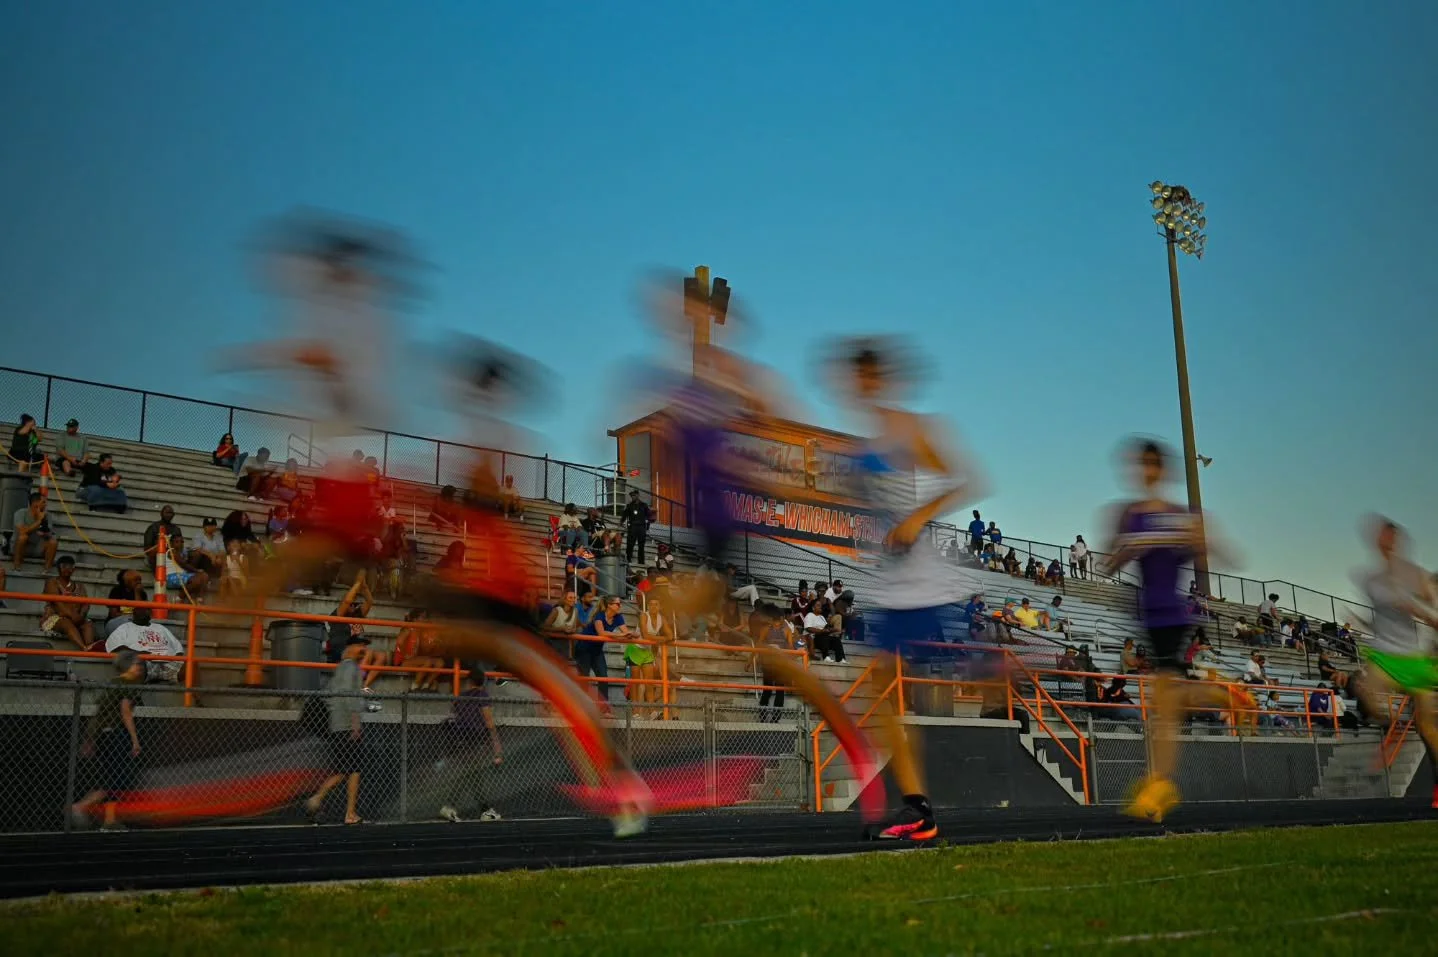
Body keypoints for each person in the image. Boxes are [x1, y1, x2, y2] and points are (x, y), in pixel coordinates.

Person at [834, 337, 987, 841]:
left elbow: (967, 481)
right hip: (892, 587)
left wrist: (916, 519)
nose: (855, 388)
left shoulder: (909, 428)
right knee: (883, 695)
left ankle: (1004, 668)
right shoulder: (862, 449)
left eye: (863, 378)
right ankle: (918, 808)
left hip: (921, 585)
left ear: (878, 379)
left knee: (901, 691)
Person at [1099, 438, 1234, 823]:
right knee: (1167, 707)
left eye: (1152, 465)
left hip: (1173, 615)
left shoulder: (1181, 514)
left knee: (1165, 705)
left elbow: (1221, 554)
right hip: (1147, 615)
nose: (1146, 472)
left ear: (1163, 470)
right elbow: (1107, 565)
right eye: (1141, 465)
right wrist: (1130, 548)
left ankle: (1159, 784)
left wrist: (1196, 537)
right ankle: (1161, 782)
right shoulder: (1129, 513)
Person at [1349, 517, 1438, 808]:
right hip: (1387, 656)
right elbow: (1387, 616)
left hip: (1414, 659)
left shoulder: (1412, 573)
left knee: (1428, 728)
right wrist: (1360, 622)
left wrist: (1427, 608)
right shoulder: (1371, 579)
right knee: (1364, 689)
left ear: (1396, 540)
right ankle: (1390, 726)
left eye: (1388, 535)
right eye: (1380, 535)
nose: (1383, 540)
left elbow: (1426, 598)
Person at [69, 650, 145, 830]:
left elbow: (100, 713)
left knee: (114, 778)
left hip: (104, 735)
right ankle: (82, 806)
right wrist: (135, 740)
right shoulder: (127, 685)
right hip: (115, 735)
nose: (140, 667)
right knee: (116, 779)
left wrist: (91, 738)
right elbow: (125, 712)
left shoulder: (114, 683)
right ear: (128, 666)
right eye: (137, 664)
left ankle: (109, 819)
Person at [305, 635, 368, 825]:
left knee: (345, 769)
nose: (363, 649)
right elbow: (351, 697)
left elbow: (330, 696)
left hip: (337, 724)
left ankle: (318, 799)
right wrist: (355, 723)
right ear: (349, 648)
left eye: (363, 646)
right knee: (353, 769)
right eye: (359, 646)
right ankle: (348, 812)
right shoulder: (352, 668)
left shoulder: (341, 668)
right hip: (347, 725)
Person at [437, 666, 503, 823]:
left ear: (469, 681)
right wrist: (497, 747)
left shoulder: (461, 697)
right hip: (475, 738)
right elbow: (488, 721)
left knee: (472, 774)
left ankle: (483, 809)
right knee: (472, 774)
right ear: (483, 682)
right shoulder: (482, 696)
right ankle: (456, 806)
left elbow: (455, 714)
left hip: (460, 738)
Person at [105, 607, 184, 683]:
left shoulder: (160, 628)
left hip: (168, 662)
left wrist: (176, 659)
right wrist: (139, 654)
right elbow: (116, 648)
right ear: (133, 613)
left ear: (150, 613)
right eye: (140, 609)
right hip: (144, 663)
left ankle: (191, 695)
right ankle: (135, 695)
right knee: (135, 665)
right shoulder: (124, 628)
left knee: (191, 666)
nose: (143, 612)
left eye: (146, 610)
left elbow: (178, 650)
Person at [577, 595, 629, 705]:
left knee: (603, 677)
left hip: (597, 650)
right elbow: (602, 633)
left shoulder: (618, 617)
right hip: (584, 647)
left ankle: (604, 708)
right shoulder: (599, 616)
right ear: (609, 605)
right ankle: (581, 705)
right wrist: (621, 635)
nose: (620, 606)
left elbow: (626, 632)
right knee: (584, 677)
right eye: (617, 604)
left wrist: (632, 635)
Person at [41, 556, 94, 650]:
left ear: (74, 569)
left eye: (70, 567)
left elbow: (86, 604)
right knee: (66, 623)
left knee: (87, 624)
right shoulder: (52, 583)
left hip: (77, 617)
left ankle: (90, 647)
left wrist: (81, 616)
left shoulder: (79, 586)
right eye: (64, 566)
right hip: (55, 618)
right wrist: (73, 616)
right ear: (58, 568)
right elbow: (58, 603)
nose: (67, 569)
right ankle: (83, 648)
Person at [10, 492, 57, 573]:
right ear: (35, 503)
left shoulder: (47, 515)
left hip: (37, 546)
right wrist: (39, 521)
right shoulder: (20, 513)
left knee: (53, 542)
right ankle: (17, 565)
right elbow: (22, 531)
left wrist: (45, 533)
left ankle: (47, 569)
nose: (46, 505)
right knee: (23, 537)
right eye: (43, 502)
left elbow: (50, 533)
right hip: (21, 547)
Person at [104, 569, 148, 638]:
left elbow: (143, 614)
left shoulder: (141, 593)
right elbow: (114, 614)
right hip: (116, 622)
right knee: (130, 622)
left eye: (140, 580)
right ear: (127, 582)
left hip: (135, 621)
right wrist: (131, 615)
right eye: (136, 580)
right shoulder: (116, 591)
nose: (139, 583)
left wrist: (137, 593)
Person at [621, 490, 651, 565]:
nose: (632, 497)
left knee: (641, 545)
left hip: (641, 527)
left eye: (634, 495)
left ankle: (641, 561)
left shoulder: (644, 505)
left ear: (637, 495)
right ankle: (628, 558)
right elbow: (624, 515)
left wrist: (647, 526)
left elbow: (648, 516)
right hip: (632, 526)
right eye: (631, 496)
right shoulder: (629, 506)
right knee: (630, 543)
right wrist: (621, 522)